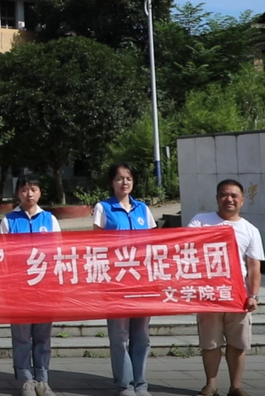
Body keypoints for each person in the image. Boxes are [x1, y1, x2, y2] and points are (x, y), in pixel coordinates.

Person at [188, 179, 265, 396]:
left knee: (238, 343)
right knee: (210, 342)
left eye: (233, 195)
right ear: (216, 198)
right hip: (208, 294)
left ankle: (235, 386)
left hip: (237, 295)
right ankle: (211, 385)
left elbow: (253, 266)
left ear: (242, 200)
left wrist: (254, 295)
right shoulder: (200, 221)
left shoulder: (250, 230)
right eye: (224, 194)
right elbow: (186, 248)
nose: (228, 199)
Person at [92, 163, 157, 396]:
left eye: (128, 178)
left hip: (142, 280)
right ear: (112, 182)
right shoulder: (103, 208)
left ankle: (141, 383)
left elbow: (154, 244)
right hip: (116, 280)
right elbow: (97, 245)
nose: (125, 182)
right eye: (119, 178)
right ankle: (124, 384)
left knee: (142, 334)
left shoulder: (143, 209)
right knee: (119, 336)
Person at [0, 174, 61, 396]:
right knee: (22, 336)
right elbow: (4, 257)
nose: (29, 194)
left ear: (40, 192)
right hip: (19, 288)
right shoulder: (9, 221)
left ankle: (43, 379)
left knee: (43, 335)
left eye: (34, 189)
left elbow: (58, 254)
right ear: (18, 193)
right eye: (25, 189)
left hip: (45, 287)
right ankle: (26, 379)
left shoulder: (50, 220)